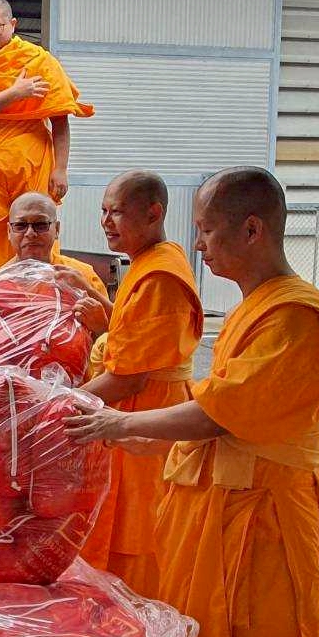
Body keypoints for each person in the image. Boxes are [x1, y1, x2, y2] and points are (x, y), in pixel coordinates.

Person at [66, 166, 319, 637]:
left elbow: (225, 411)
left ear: (252, 229)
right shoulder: (256, 303)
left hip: (270, 521)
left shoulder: (296, 314)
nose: (199, 246)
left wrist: (121, 425)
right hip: (233, 513)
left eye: (209, 231)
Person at [77, 171, 202, 597]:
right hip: (137, 411)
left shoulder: (161, 274)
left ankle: (144, 630)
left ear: (154, 213)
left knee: (139, 534)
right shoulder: (148, 262)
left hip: (149, 416)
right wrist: (108, 317)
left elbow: (131, 376)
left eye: (117, 212)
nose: (106, 222)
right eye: (103, 212)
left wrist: (58, 403)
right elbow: (142, 338)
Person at [0, 0, 93, 283]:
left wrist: (61, 169)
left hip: (34, 168)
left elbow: (60, 119)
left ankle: (43, 302)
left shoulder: (39, 61)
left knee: (37, 235)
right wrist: (15, 93)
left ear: (12, 25)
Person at [0, 191, 110, 336]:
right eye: (20, 225)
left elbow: (115, 334)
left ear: (56, 229)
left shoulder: (82, 277)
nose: (30, 233)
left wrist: (101, 328)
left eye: (41, 225)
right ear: (9, 231)